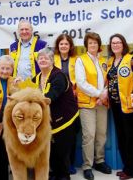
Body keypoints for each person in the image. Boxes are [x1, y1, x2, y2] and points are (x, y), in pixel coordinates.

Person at [32, 48, 79, 180]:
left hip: (66, 120)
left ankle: (64, 176)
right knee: (51, 149)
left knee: (62, 151)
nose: (42, 60)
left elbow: (52, 95)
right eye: (40, 58)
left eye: (46, 58)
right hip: (50, 121)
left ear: (52, 61)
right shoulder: (38, 76)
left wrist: (38, 99)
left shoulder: (59, 76)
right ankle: (56, 173)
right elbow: (27, 87)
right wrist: (18, 84)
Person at [75, 32, 111, 180]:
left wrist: (104, 94)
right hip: (87, 104)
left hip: (102, 103)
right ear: (86, 45)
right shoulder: (80, 60)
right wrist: (99, 94)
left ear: (99, 45)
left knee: (101, 134)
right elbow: (81, 83)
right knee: (89, 135)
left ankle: (99, 161)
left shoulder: (104, 61)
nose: (93, 45)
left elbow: (109, 81)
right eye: (90, 43)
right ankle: (87, 165)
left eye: (95, 43)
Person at [106, 34, 133, 180]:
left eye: (118, 42)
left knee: (130, 138)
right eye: (113, 43)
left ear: (123, 44)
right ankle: (126, 167)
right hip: (115, 105)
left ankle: (132, 170)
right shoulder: (110, 61)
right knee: (121, 137)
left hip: (129, 106)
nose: (116, 45)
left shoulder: (130, 60)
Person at [53, 33, 80, 174]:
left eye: (66, 44)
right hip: (57, 103)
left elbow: (81, 79)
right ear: (58, 46)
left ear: (70, 46)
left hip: (72, 102)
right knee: (59, 135)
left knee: (72, 134)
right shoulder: (53, 59)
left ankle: (70, 163)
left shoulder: (77, 60)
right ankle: (60, 164)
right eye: (61, 44)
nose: (63, 46)